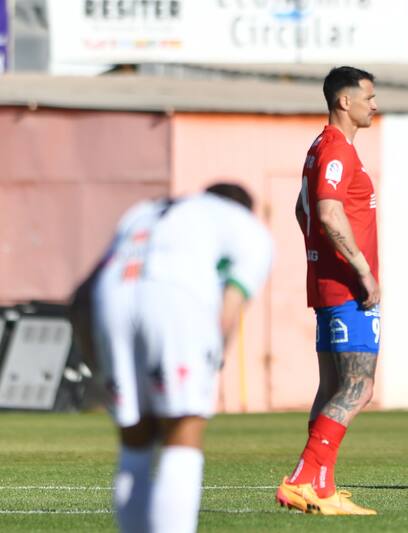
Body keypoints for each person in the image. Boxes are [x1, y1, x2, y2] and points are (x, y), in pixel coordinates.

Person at [84, 183, 272, 532]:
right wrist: (211, 363)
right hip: (175, 299)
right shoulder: (247, 227)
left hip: (112, 296)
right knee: (182, 434)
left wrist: (97, 364)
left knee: (135, 440)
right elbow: (229, 310)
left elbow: (82, 291)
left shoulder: (146, 210)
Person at [275, 66, 380, 516]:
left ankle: (321, 485)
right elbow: (327, 213)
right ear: (344, 102)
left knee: (334, 385)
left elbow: (302, 210)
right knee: (359, 387)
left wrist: (316, 255)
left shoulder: (320, 146)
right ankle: (301, 478)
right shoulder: (337, 149)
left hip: (327, 282)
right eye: (369, 97)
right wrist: (361, 270)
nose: (374, 105)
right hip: (346, 288)